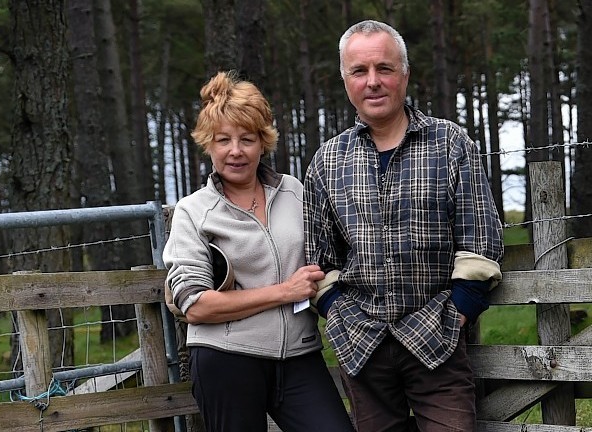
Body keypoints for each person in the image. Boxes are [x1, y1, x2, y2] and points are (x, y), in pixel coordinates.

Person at [303, 20, 504, 432]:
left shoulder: (451, 144)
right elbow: (318, 260)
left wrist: (457, 315)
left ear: (405, 75)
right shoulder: (327, 162)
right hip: (361, 349)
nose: (373, 82)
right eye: (359, 71)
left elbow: (480, 244)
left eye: (385, 69)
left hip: (438, 341)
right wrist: (339, 315)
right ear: (346, 81)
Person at [163, 71, 355, 432]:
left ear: (263, 142)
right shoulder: (193, 211)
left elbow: (329, 256)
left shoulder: (295, 192)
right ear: (209, 144)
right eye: (224, 140)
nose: (235, 151)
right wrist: (285, 291)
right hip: (226, 359)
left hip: (300, 356)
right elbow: (196, 305)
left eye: (247, 139)